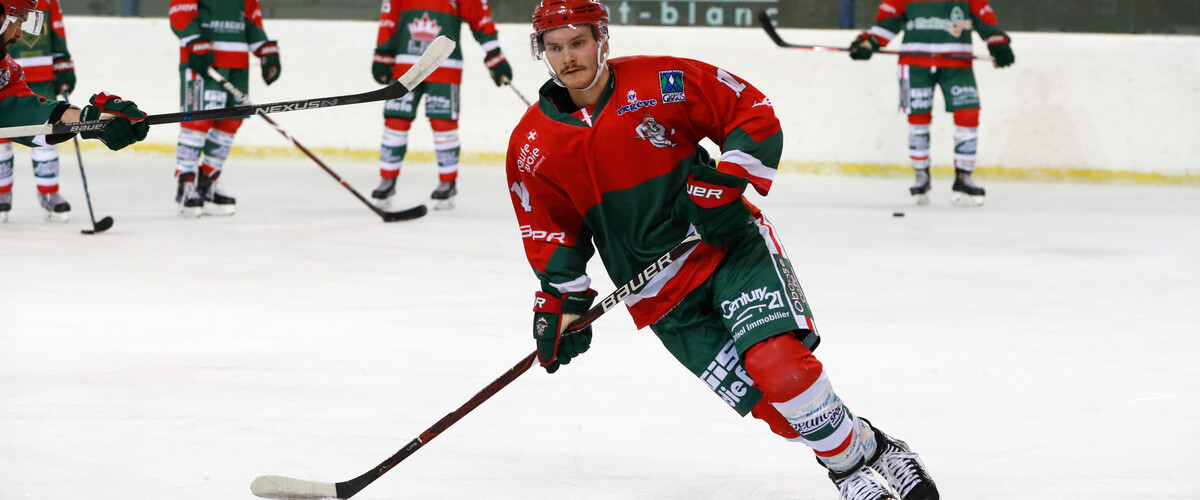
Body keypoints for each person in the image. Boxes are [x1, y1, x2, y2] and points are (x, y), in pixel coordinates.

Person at [505, 1, 937, 499]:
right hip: (658, 295)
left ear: (602, 39)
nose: (567, 58)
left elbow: (748, 111)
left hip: (725, 248)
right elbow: (550, 229)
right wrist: (561, 302)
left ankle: (846, 473)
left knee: (779, 365)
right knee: (779, 409)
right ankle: (874, 448)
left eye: (578, 42)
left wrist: (726, 183)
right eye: (554, 48)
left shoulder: (660, 81)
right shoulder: (531, 143)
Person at [848, 0, 1014, 206]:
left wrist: (997, 42)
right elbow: (887, 23)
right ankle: (921, 175)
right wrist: (868, 43)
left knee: (968, 115)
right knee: (918, 118)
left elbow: (985, 20)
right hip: (914, 65)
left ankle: (964, 177)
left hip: (957, 64)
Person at [0, 0, 147, 222]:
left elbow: (19, 107)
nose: (19, 34)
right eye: (18, 19)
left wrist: (91, 120)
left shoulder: (4, 69)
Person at [369, 0, 512, 211]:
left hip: (445, 64)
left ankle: (448, 183)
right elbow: (389, 17)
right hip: (405, 63)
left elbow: (479, 16)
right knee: (395, 120)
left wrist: (494, 55)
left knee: (443, 123)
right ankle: (387, 180)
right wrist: (384, 53)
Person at [169, 0, 280, 217]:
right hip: (203, 61)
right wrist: (194, 40)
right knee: (197, 121)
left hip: (237, 65)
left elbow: (250, 19)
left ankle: (208, 182)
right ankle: (186, 183)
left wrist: (264, 48)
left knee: (230, 123)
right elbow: (179, 11)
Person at [0, 0, 74, 221]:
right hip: (6, 67)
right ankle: (2, 192)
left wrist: (64, 67)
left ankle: (49, 192)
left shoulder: (49, 2)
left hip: (40, 75)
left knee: (47, 129)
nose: (20, 32)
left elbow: (57, 33)